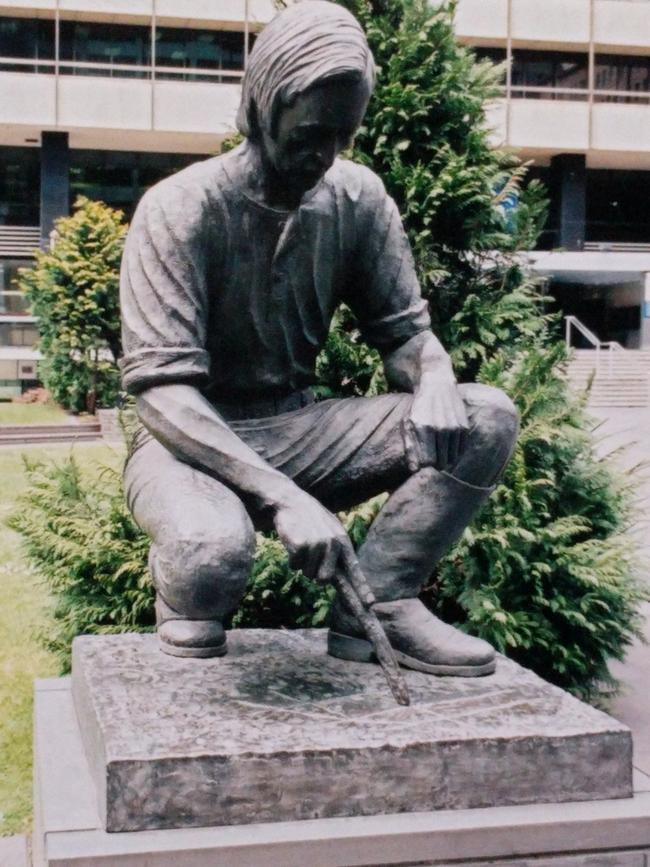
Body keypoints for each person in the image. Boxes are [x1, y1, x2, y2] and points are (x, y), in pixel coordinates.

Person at [120, 0, 518, 675]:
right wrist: (283, 496)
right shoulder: (179, 208)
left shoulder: (358, 200)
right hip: (186, 444)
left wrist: (437, 378)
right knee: (209, 563)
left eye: (341, 135)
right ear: (260, 106)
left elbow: (406, 336)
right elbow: (162, 394)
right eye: (308, 132)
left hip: (297, 429)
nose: (323, 153)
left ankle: (384, 598)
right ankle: (188, 592)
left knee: (487, 417)